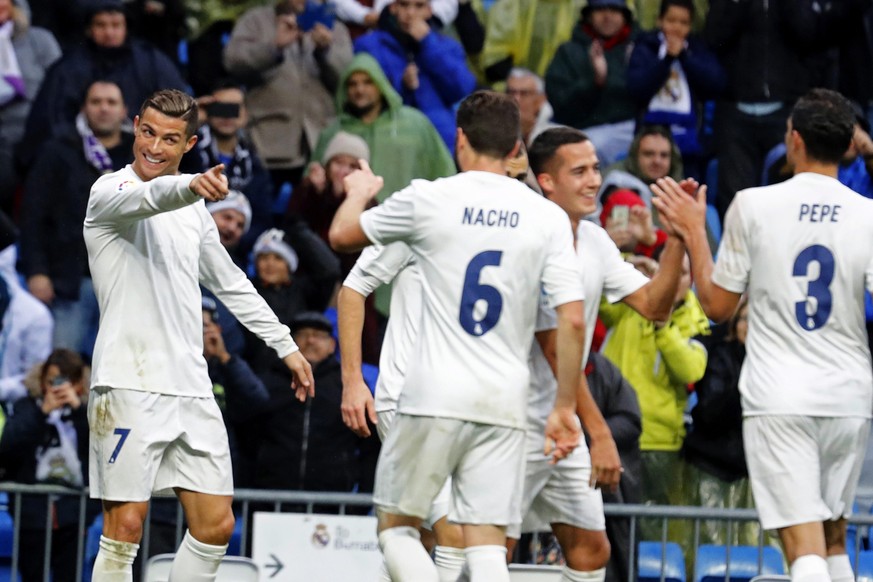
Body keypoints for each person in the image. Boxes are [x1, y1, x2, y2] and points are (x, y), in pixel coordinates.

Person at [330, 90, 586, 581]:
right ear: (517, 147)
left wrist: (360, 192)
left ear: (459, 139)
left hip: (430, 393)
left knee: (398, 529)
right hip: (505, 400)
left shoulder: (429, 200)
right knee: (485, 545)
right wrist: (564, 407)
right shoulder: (548, 217)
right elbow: (572, 320)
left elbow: (341, 236)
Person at [83, 89, 314, 582]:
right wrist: (191, 186)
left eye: (170, 139)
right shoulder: (109, 192)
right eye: (147, 132)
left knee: (216, 526)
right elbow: (154, 196)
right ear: (136, 127)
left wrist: (286, 345)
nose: (154, 147)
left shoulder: (192, 214)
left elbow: (231, 282)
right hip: (128, 383)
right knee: (125, 525)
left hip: (191, 386)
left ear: (188, 144)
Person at [652, 87, 873, 582]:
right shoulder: (868, 214)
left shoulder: (753, 205)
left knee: (804, 547)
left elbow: (716, 305)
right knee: (833, 537)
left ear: (793, 140)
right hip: (849, 396)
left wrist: (692, 230)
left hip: (781, 396)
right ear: (846, 145)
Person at [506, 125, 687, 582]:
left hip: (561, 426)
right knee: (491, 549)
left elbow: (656, 307)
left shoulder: (594, 239)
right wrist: (599, 432)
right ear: (546, 181)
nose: (594, 181)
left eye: (596, 168)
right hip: (513, 421)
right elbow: (552, 347)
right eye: (580, 171)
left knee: (591, 550)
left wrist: (677, 239)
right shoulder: (529, 241)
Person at [19, 79, 133, 358]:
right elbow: (33, 215)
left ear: (124, 110)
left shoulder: (141, 155)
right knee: (63, 368)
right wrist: (37, 272)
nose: (103, 109)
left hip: (127, 285)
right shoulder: (58, 151)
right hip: (71, 283)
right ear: (83, 109)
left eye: (111, 102)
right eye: (96, 102)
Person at [17, 0, 187, 172]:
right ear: (90, 28)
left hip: (141, 152)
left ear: (126, 27)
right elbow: (51, 120)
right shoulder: (69, 67)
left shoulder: (151, 62)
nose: (109, 32)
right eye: (101, 25)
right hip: (77, 157)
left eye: (116, 25)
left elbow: (177, 110)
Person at [223, 0, 354, 190]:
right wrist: (274, 47)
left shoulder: (333, 25)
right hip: (267, 143)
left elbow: (348, 79)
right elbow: (233, 61)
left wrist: (326, 52)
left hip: (319, 143)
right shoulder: (255, 21)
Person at [0, 349, 99, 582]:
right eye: (53, 380)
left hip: (75, 514)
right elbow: (8, 447)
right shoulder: (27, 407)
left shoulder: (87, 412)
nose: (58, 387)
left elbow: (99, 449)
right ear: (42, 380)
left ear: (78, 383)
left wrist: (77, 411)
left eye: (66, 381)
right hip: (32, 514)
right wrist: (42, 412)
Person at [353, 0, 477, 151]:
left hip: (440, 142)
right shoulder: (369, 45)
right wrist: (402, 85)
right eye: (404, 5)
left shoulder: (446, 46)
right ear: (393, 8)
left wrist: (428, 43)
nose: (410, 13)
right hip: (391, 140)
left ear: (429, 10)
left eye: (419, 6)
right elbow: (360, 96)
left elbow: (462, 88)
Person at [544, 0, 638, 167]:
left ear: (625, 16)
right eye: (601, 9)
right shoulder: (568, 51)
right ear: (588, 15)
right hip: (579, 130)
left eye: (614, 10)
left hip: (631, 129)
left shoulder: (640, 48)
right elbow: (560, 103)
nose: (608, 16)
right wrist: (594, 82)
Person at [505, 68, 559, 147]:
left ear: (541, 99)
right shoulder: (494, 131)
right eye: (510, 92)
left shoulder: (556, 136)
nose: (516, 99)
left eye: (524, 93)